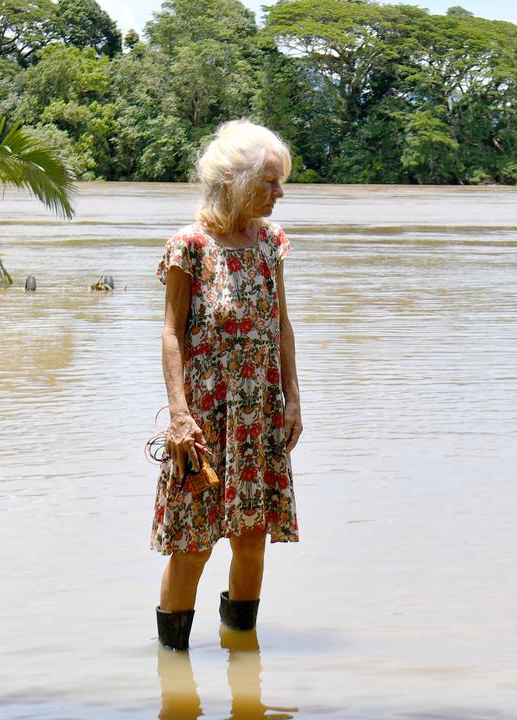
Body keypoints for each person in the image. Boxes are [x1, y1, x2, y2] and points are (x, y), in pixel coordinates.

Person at [152, 120, 302, 651]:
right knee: (191, 545)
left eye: (280, 182)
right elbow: (171, 332)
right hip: (204, 418)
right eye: (270, 182)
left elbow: (281, 323)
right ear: (234, 180)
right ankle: (175, 674)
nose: (280, 193)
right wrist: (178, 414)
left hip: (260, 413)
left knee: (252, 540)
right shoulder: (189, 246)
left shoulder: (271, 243)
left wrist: (292, 402)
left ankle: (243, 664)